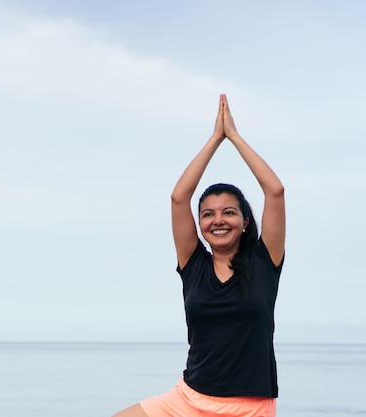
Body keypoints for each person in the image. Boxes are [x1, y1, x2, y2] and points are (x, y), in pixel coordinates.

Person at [112, 94, 285, 417]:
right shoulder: (194, 265)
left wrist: (233, 137)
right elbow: (180, 198)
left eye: (229, 212)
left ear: (245, 222)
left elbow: (275, 190)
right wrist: (213, 140)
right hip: (188, 399)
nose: (218, 220)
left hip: (248, 406)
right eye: (208, 214)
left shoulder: (265, 262)